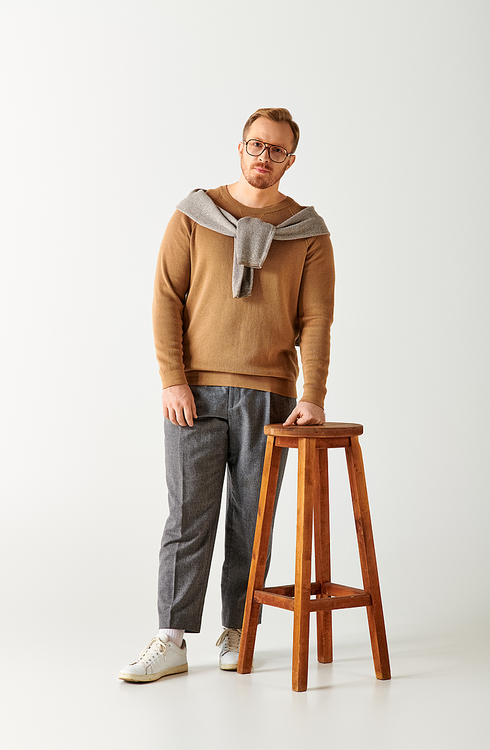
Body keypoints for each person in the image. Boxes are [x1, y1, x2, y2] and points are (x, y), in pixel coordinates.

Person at [119, 108, 335, 682]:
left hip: (270, 394)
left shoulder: (307, 231)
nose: (264, 158)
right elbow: (167, 296)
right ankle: (170, 638)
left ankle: (240, 627)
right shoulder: (195, 214)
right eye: (256, 146)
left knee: (252, 520)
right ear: (240, 148)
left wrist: (311, 394)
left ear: (291, 159)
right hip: (195, 392)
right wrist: (172, 379)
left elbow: (315, 320)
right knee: (188, 517)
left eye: (278, 151)